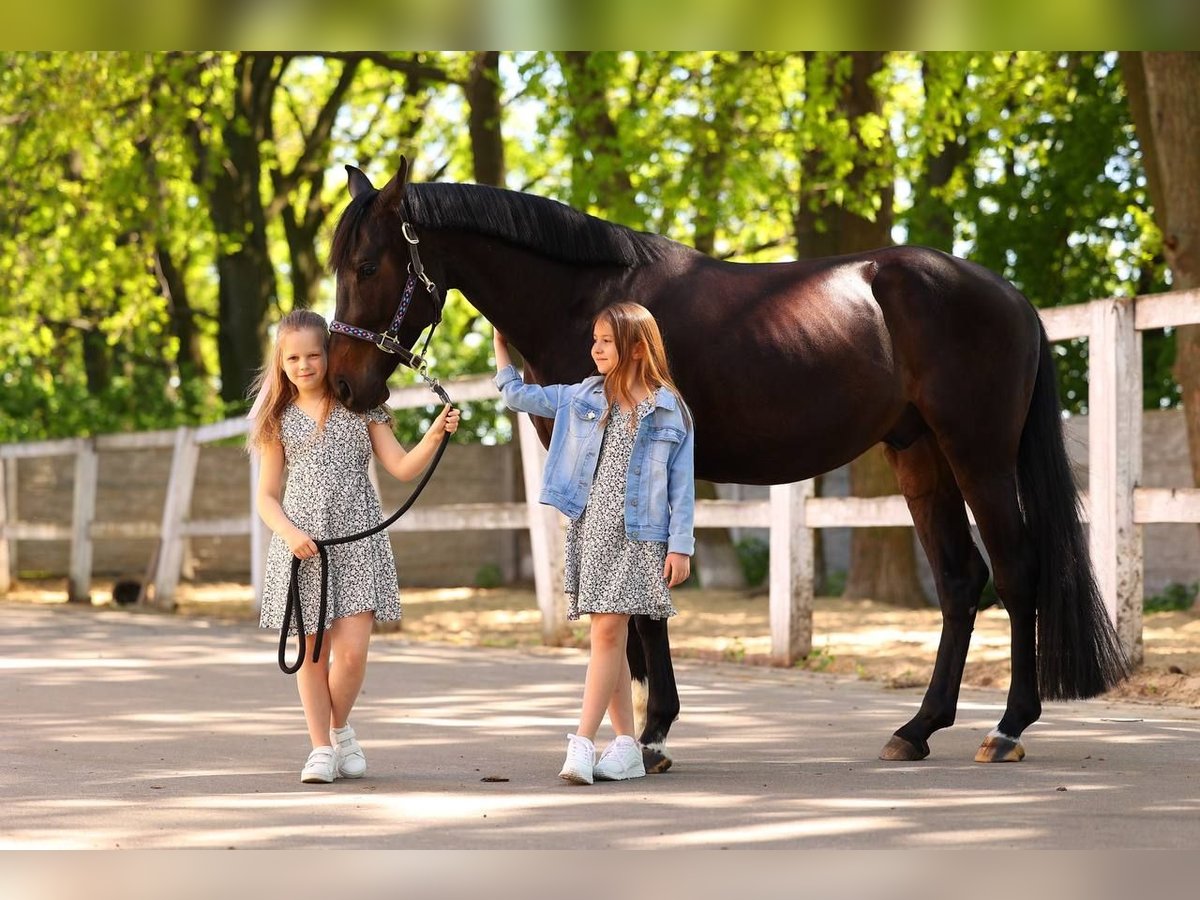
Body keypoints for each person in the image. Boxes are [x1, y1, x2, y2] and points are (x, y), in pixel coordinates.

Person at [248, 309, 459, 784]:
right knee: (311, 651)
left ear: (330, 354)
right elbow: (265, 496)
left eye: (313, 355)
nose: (304, 366)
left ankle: (339, 728)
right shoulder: (277, 420)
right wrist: (288, 533)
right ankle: (321, 748)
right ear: (280, 362)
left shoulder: (362, 406)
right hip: (304, 545)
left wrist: (435, 432)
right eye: (293, 358)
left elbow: (401, 468)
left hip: (357, 540)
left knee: (353, 653)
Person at [493, 301, 695, 784]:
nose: (596, 348)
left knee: (606, 635)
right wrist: (502, 350)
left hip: (641, 538)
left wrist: (680, 544)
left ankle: (582, 743)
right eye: (596, 339)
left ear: (637, 348)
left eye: (607, 340)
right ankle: (625, 745)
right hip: (592, 531)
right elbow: (520, 397)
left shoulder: (671, 410)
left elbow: (682, 486)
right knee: (612, 639)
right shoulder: (583, 396)